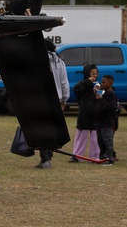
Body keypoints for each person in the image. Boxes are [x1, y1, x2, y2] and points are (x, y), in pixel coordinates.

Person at [37, 38, 71, 169]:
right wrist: (64, 100)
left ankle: (45, 158)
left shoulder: (40, 60)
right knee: (52, 128)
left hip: (42, 98)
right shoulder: (59, 62)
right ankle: (49, 155)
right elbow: (64, 82)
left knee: (41, 128)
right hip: (56, 99)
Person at [72, 65, 101, 162]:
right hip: (84, 114)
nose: (95, 76)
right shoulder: (81, 84)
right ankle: (77, 156)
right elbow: (76, 89)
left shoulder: (98, 85)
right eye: (92, 74)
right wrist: (88, 82)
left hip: (96, 115)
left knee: (95, 137)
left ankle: (94, 156)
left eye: (96, 74)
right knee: (81, 136)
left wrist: (98, 93)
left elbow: (102, 97)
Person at [94, 74, 118, 164]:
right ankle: (102, 157)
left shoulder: (111, 94)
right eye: (101, 82)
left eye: (104, 82)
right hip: (99, 122)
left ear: (110, 83)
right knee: (100, 141)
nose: (102, 84)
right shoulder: (102, 92)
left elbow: (111, 107)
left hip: (107, 123)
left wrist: (101, 99)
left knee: (107, 141)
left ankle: (109, 159)